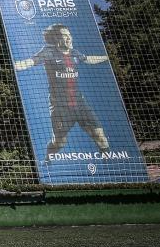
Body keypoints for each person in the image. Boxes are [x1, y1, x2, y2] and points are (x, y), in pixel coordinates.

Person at [13, 24, 110, 159]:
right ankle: (48, 158)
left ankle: (109, 164)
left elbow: (87, 59)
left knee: (100, 135)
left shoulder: (74, 53)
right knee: (60, 142)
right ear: (56, 38)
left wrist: (106, 57)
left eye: (69, 35)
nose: (69, 38)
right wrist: (13, 66)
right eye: (65, 36)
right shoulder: (48, 52)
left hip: (80, 103)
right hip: (60, 107)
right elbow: (30, 62)